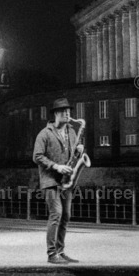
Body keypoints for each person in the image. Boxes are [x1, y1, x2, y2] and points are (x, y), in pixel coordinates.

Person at [33, 97, 84, 264]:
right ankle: (51, 253)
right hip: (50, 180)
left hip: (66, 181)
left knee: (66, 216)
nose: (67, 113)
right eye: (63, 111)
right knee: (57, 214)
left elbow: (73, 157)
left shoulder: (71, 131)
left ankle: (61, 252)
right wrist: (56, 166)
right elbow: (37, 156)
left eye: (68, 111)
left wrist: (78, 151)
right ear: (55, 113)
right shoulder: (44, 133)